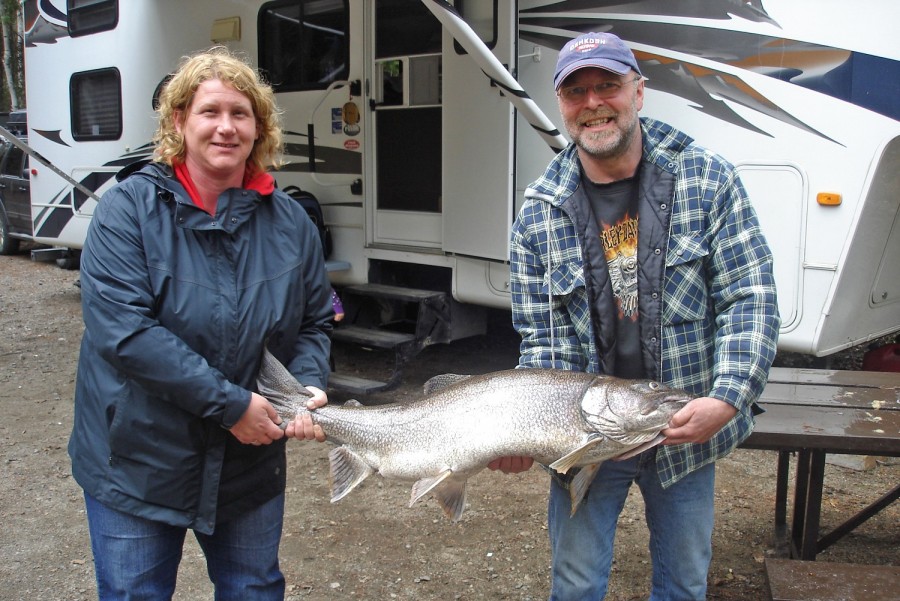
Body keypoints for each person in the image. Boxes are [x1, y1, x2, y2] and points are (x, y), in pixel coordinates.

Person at [493, 32, 780, 600]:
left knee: (683, 584)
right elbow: (542, 343)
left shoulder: (706, 178)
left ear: (639, 92)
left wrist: (726, 398)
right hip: (583, 439)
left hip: (683, 426)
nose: (593, 102)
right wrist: (522, 430)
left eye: (608, 85)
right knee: (575, 585)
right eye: (576, 92)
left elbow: (750, 297)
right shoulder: (539, 212)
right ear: (561, 106)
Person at [68, 47, 334, 600]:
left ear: (259, 128)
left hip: (248, 468)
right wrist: (232, 405)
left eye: (240, 114)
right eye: (209, 111)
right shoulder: (128, 211)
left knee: (253, 589)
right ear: (178, 121)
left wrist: (304, 388)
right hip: (138, 460)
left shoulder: (290, 222)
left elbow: (314, 322)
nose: (225, 127)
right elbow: (125, 332)